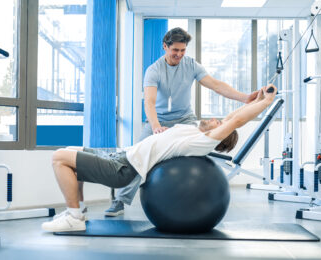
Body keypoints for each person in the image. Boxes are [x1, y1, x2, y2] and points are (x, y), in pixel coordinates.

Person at [41, 85, 277, 232]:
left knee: (59, 157)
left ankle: (74, 217)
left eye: (219, 124)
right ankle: (78, 211)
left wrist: (267, 103)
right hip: (121, 155)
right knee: (70, 151)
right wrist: (256, 100)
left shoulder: (202, 142)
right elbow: (232, 116)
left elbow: (236, 122)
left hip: (123, 168)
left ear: (218, 135)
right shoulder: (196, 130)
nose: (217, 119)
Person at [105, 27, 260, 217]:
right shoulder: (153, 70)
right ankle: (119, 201)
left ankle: (197, 196)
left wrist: (244, 98)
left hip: (186, 119)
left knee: (199, 147)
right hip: (158, 120)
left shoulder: (191, 65)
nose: (179, 54)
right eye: (175, 50)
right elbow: (150, 103)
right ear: (165, 47)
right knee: (138, 156)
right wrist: (155, 127)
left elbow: (216, 85)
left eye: (183, 50)